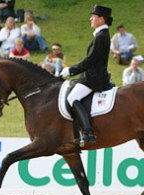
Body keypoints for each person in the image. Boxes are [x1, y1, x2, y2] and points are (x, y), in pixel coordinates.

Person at [60, 5, 113, 144]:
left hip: (94, 78)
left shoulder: (101, 37)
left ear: (101, 19)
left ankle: (88, 132)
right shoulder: (101, 35)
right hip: (91, 75)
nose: (91, 18)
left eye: (94, 16)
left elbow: (90, 60)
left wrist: (71, 70)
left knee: (72, 97)